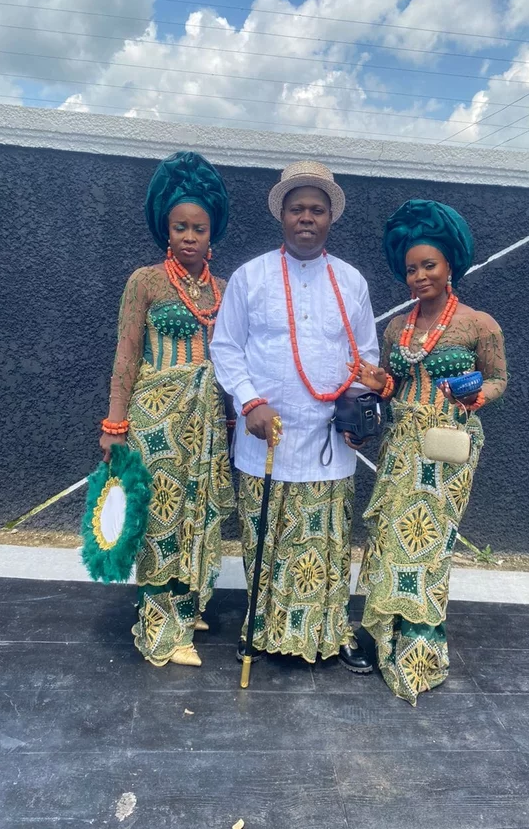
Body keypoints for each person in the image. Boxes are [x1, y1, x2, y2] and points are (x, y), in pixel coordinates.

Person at [210, 160, 379, 673]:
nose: (307, 217)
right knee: (266, 541)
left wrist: (358, 413)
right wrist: (249, 401)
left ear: (330, 218)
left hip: (328, 443)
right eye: (297, 208)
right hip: (266, 437)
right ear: (281, 215)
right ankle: (260, 631)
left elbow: (365, 357)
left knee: (327, 546)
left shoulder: (351, 281)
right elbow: (225, 347)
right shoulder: (250, 276)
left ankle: (331, 632)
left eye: (317, 209)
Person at [356, 199, 508, 705]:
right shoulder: (396, 328)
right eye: (411, 269)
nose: (420, 276)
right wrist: (378, 383)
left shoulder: (479, 324)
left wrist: (477, 396)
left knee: (427, 543)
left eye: (429, 265)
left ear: (450, 265)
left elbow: (500, 378)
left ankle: (420, 651)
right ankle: (388, 637)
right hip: (401, 446)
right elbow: (393, 384)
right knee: (389, 537)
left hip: (447, 451)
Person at [100, 151, 235, 667]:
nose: (189, 237)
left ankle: (186, 603)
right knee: (161, 516)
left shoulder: (225, 290)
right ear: (166, 228)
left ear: (211, 232)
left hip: (206, 426)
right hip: (156, 421)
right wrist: (115, 426)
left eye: (199, 228)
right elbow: (126, 353)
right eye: (180, 227)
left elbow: (233, 360)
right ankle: (161, 628)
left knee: (198, 514)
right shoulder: (146, 281)